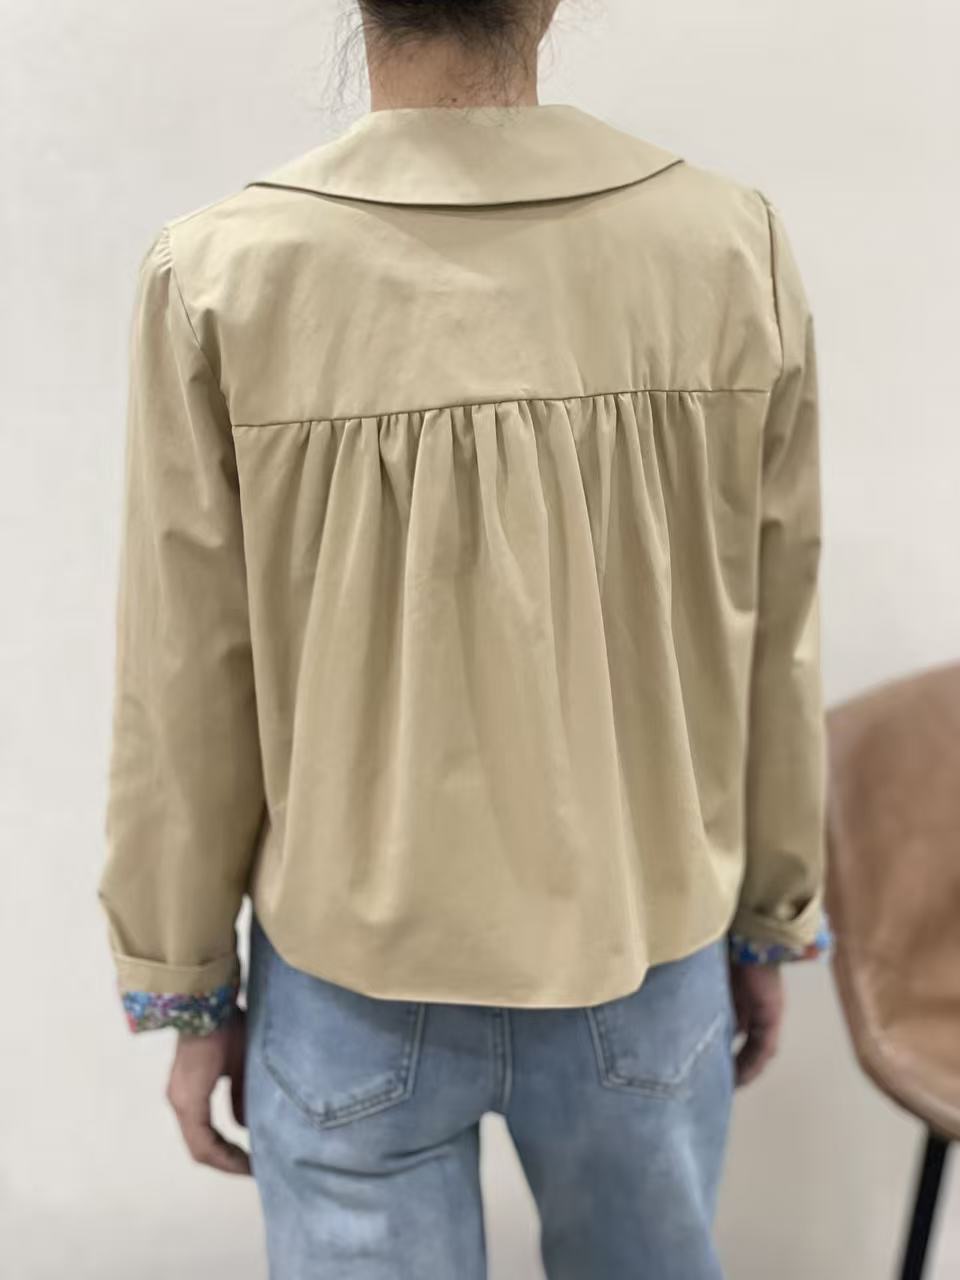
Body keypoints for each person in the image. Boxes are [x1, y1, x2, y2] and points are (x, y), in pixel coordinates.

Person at [97, 1, 832, 1275]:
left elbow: (185, 678)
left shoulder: (221, 276)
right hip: (644, 952)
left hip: (350, 975)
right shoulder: (728, 248)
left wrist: (188, 982)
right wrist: (770, 915)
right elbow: (776, 626)